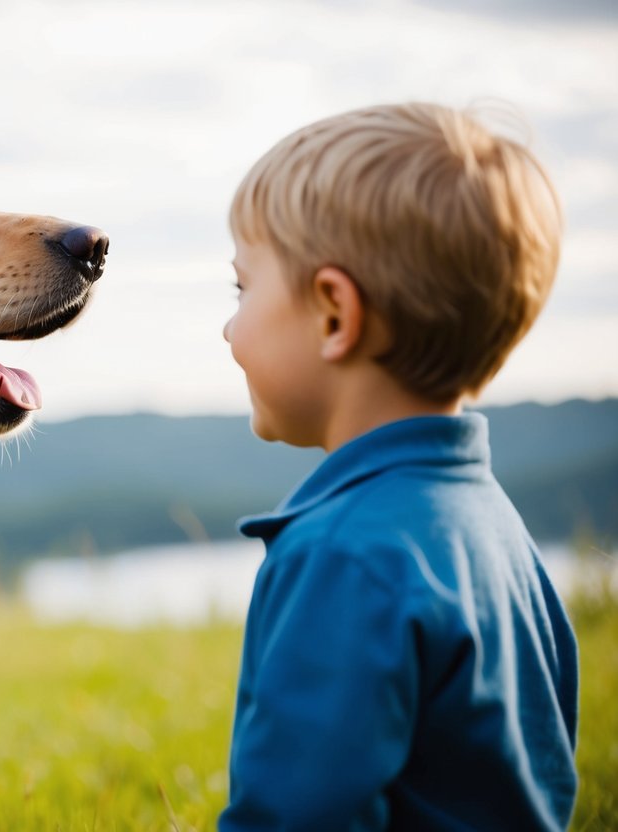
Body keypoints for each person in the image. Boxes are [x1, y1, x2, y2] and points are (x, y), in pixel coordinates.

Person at [218, 102, 578, 831]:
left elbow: (296, 815)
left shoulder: (343, 555)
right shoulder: (493, 527)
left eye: (242, 288)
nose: (229, 325)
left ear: (333, 316)